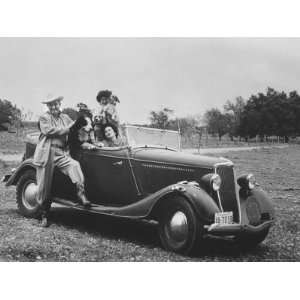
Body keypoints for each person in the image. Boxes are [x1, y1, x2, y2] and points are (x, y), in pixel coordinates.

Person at [33, 95, 91, 227]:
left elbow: (74, 129)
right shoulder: (44, 118)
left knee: (74, 165)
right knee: (44, 185)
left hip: (61, 152)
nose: (53, 107)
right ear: (47, 106)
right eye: (50, 105)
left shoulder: (65, 117)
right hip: (47, 152)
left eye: (55, 104)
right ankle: (44, 214)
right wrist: (69, 128)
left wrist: (83, 125)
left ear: (60, 104)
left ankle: (81, 194)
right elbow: (49, 131)